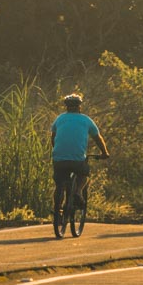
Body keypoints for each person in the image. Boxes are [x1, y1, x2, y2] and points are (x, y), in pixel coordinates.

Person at [50, 93, 109, 231]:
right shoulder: (86, 120)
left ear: (67, 107)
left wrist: (58, 151)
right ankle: (77, 191)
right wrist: (104, 153)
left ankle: (57, 211)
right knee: (84, 175)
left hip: (59, 158)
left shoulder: (59, 119)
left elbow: (53, 138)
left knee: (59, 185)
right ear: (79, 107)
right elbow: (98, 138)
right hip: (77, 158)